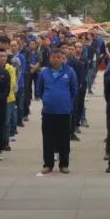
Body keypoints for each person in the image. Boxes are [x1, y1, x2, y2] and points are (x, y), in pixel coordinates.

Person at [37, 46, 77, 174]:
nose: (56, 60)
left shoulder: (69, 72)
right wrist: (46, 99)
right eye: (54, 57)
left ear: (63, 59)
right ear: (50, 58)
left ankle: (64, 164)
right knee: (48, 139)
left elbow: (74, 89)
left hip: (64, 111)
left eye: (59, 57)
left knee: (64, 139)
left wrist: (66, 101)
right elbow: (39, 90)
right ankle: (48, 164)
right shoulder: (44, 72)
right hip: (48, 111)